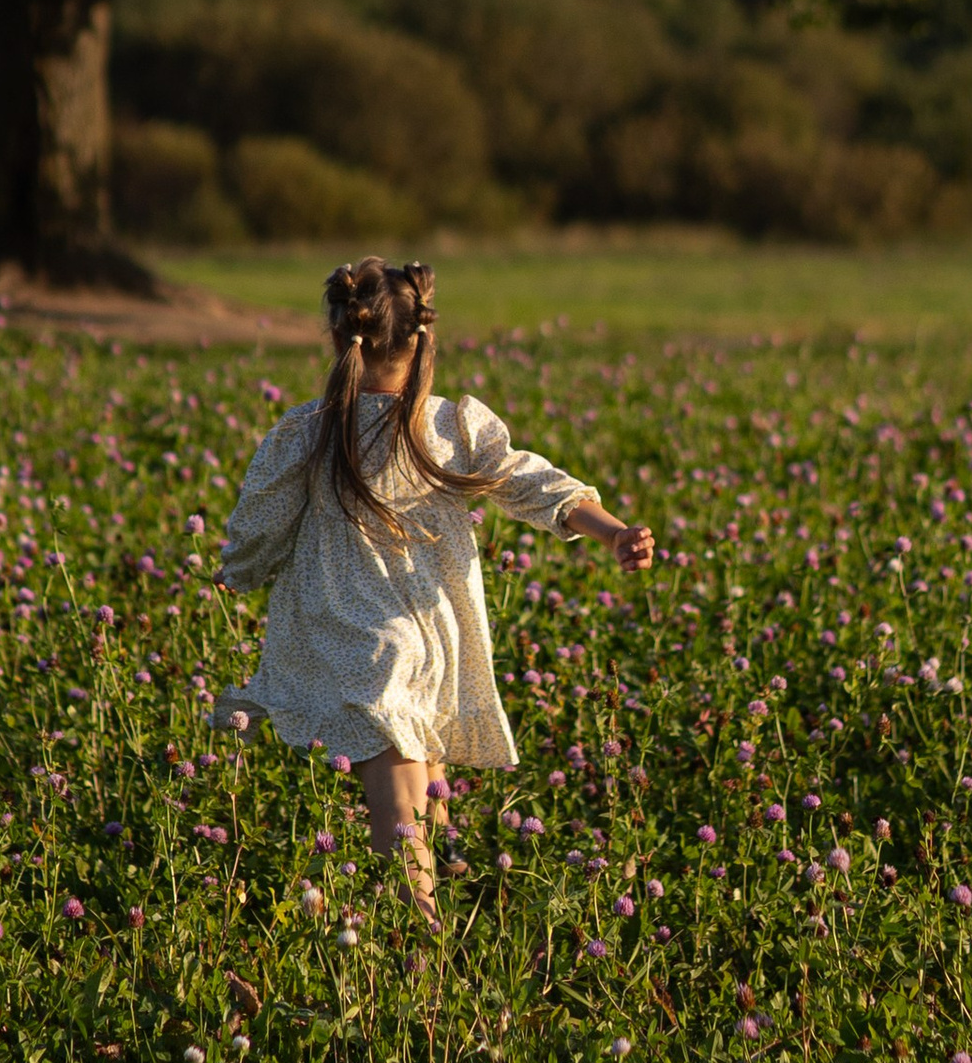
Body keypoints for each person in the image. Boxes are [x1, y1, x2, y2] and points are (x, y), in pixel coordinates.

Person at [213, 254, 654, 919]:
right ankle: (430, 939)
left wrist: (238, 570)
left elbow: (259, 522)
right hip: (430, 634)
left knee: (401, 814)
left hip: (352, 639)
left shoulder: (308, 430)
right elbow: (529, 481)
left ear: (339, 337)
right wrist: (612, 529)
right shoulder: (449, 425)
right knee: (418, 797)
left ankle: (420, 952)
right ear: (419, 340)